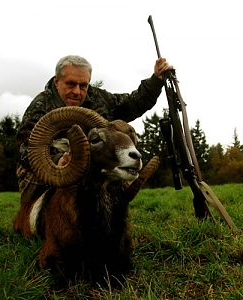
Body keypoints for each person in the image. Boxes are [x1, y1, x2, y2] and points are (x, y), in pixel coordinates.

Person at [13, 54, 171, 235]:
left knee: (120, 132)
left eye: (83, 85)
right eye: (71, 84)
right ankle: (38, 217)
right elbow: (25, 148)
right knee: (45, 220)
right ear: (57, 81)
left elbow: (132, 103)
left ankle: (110, 210)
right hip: (48, 173)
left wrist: (156, 80)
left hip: (89, 172)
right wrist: (59, 161)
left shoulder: (97, 98)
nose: (78, 91)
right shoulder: (41, 105)